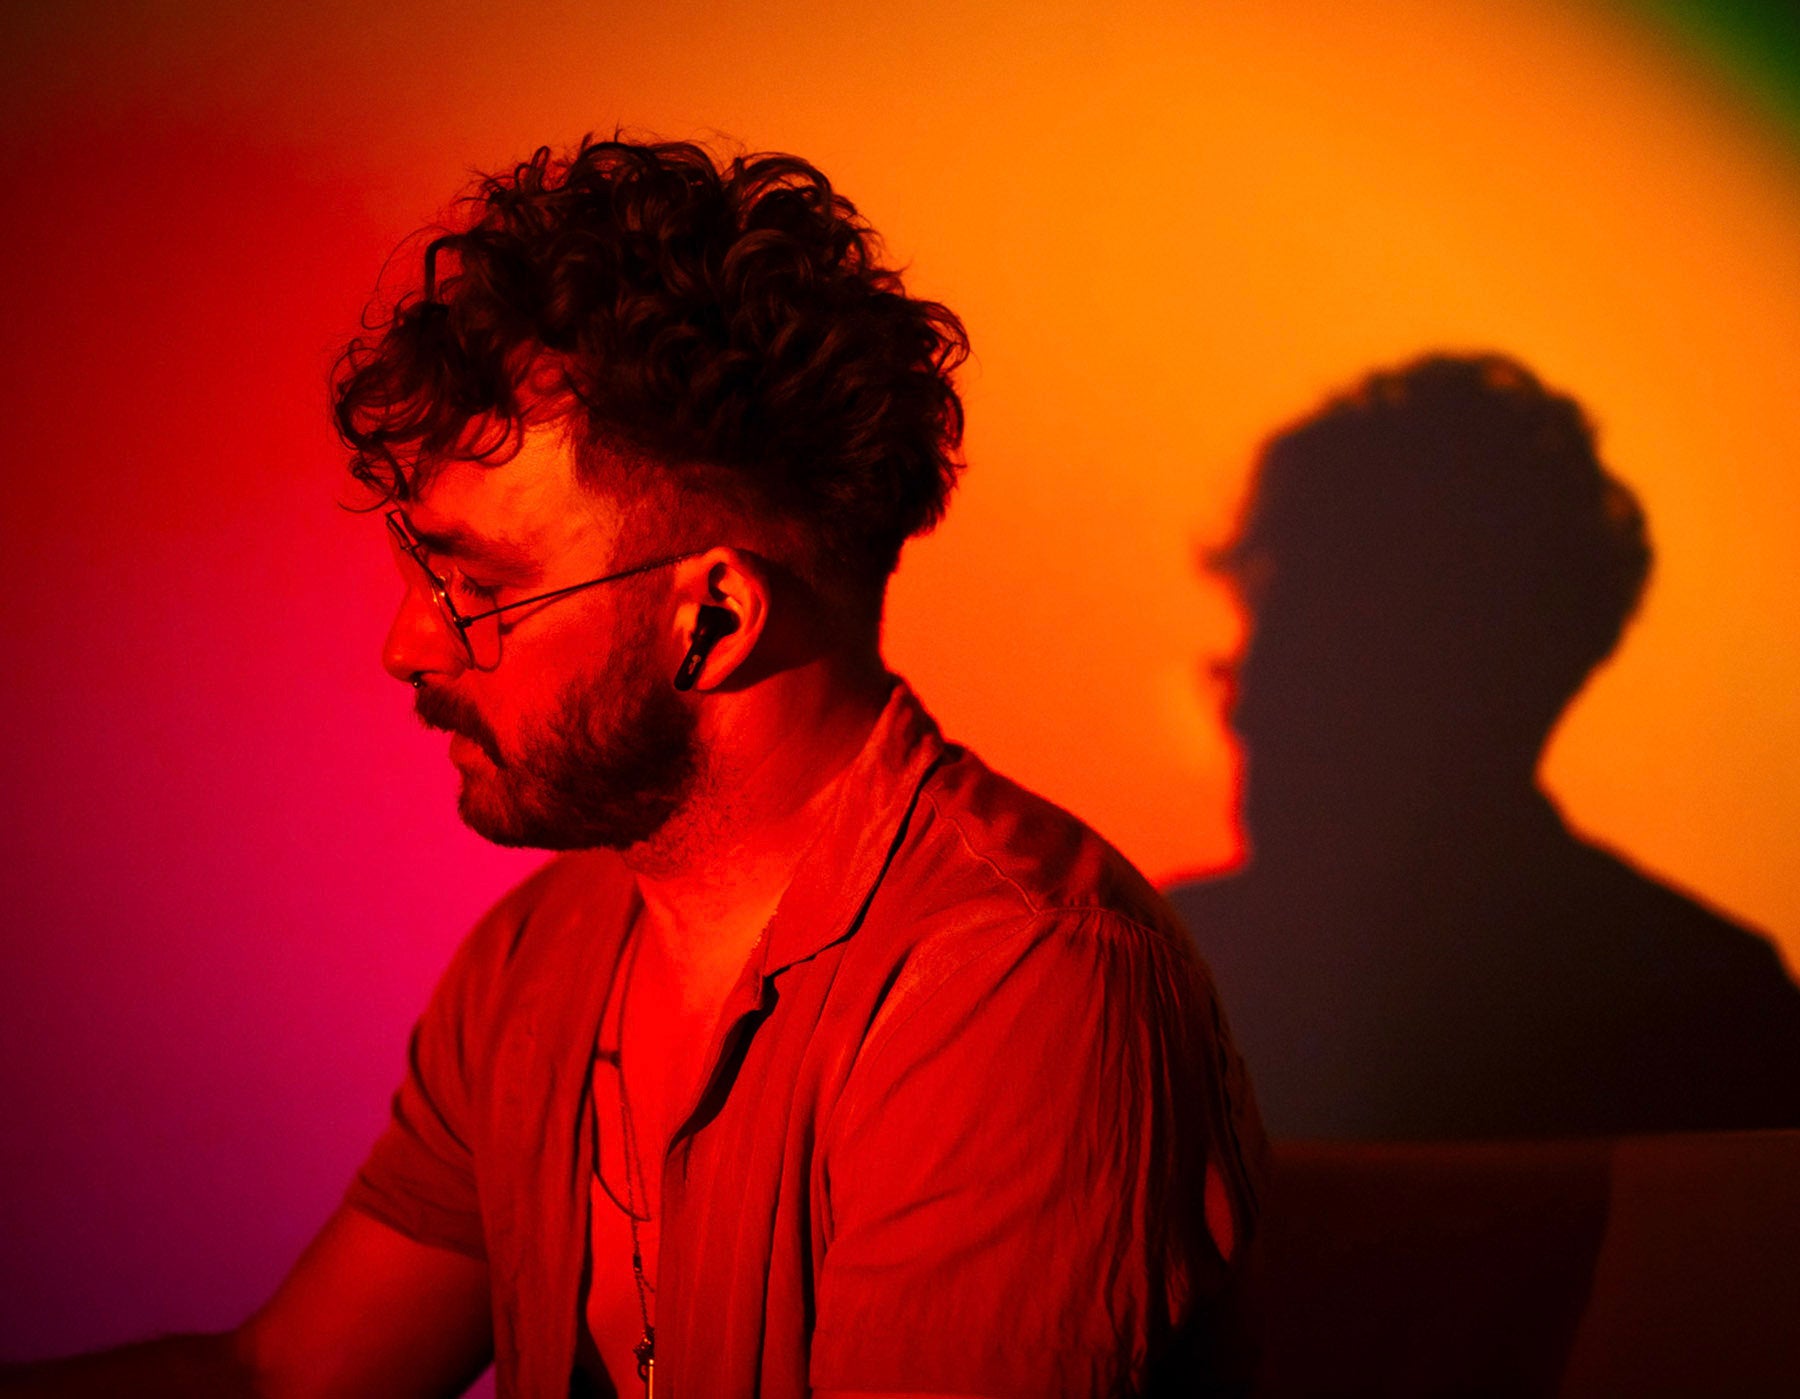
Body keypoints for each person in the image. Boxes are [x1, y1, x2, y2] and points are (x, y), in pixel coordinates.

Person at [4, 136, 1263, 1398]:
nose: (405, 645)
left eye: (480, 586)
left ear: (712, 615)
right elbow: (289, 1380)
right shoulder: (537, 958)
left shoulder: (1023, 994)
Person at [1169, 352, 1800, 1140]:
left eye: (1310, 648)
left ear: (1471, 683)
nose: (1247, 708)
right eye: (1260, 644)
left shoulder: (1155, 987)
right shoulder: (1711, 1000)